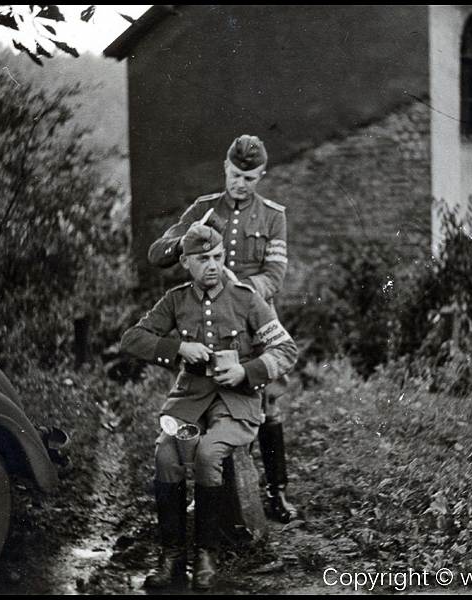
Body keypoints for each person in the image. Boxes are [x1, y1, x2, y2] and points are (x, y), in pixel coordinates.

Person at [121, 224, 299, 590]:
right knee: (165, 456)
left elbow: (286, 350)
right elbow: (132, 338)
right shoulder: (176, 300)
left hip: (237, 404)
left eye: (218, 257)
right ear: (186, 262)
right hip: (190, 401)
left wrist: (246, 371)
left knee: (207, 454)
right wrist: (177, 349)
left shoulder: (247, 298)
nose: (213, 265)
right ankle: (172, 557)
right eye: (203, 259)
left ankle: (206, 553)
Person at [147, 134, 299, 523]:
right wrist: (187, 237)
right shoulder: (203, 208)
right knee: (204, 398)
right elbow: (157, 254)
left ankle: (277, 492)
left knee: (266, 402)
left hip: (252, 318)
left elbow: (275, 274)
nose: (239, 185)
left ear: (260, 176)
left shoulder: (272, 215)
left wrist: (244, 296)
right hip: (205, 320)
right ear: (225, 169)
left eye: (249, 178)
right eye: (234, 175)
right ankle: (209, 490)